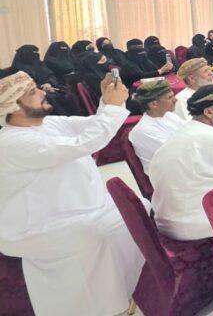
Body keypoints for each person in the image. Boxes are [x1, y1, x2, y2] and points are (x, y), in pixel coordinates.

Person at [0, 71, 144, 316]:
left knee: (138, 210)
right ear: (13, 107)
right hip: (37, 226)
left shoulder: (46, 124)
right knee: (98, 233)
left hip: (75, 209)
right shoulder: (11, 142)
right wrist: (112, 106)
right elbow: (83, 144)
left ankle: (130, 288)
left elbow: (93, 127)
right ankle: (100, 307)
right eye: (33, 92)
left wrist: (106, 100)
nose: (43, 92)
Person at [150, 84, 213, 240]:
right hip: (195, 228)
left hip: (171, 221)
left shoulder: (188, 131)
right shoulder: (209, 138)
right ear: (209, 112)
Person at [128, 79, 186, 171]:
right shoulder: (145, 130)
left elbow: (190, 132)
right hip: (169, 173)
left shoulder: (169, 115)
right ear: (153, 104)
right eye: (170, 97)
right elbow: (178, 153)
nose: (175, 100)